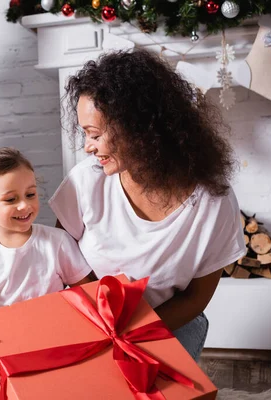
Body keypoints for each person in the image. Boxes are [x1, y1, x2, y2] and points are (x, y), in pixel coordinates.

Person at [49, 49, 246, 361]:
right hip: (86, 317)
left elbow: (196, 298)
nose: (88, 147)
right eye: (86, 134)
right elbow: (58, 261)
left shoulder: (212, 203)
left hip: (167, 322)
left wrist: (130, 334)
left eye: (95, 134)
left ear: (138, 128)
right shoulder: (86, 181)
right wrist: (102, 323)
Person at [0, 147, 95, 400]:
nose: (25, 205)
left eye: (31, 194)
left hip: (41, 351)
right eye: (11, 199)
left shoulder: (56, 242)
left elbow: (86, 291)